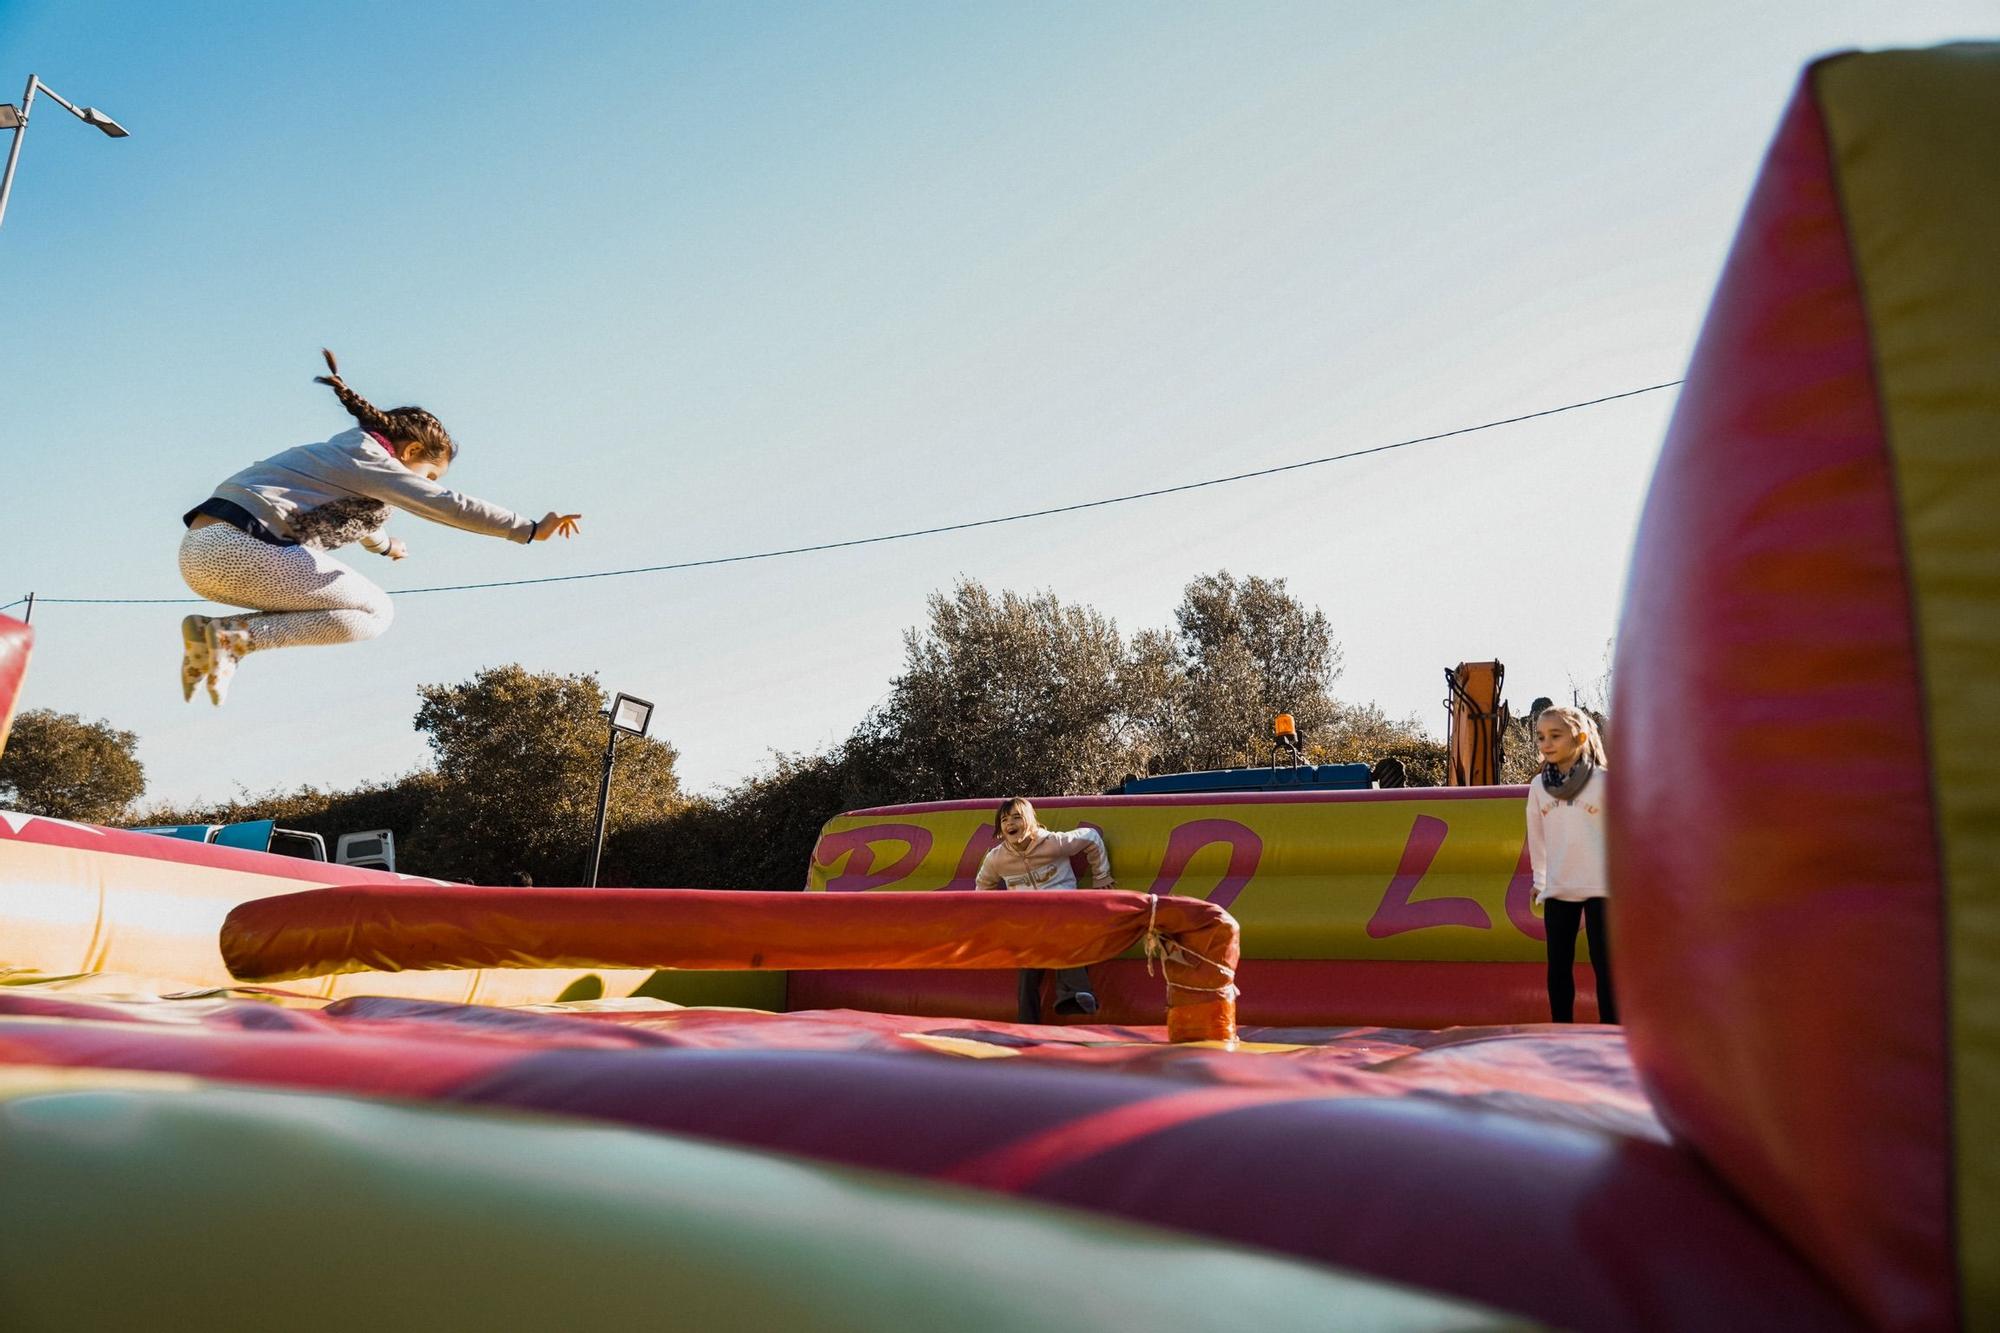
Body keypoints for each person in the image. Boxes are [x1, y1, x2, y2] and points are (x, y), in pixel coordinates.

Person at [176, 350, 582, 705]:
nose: (426, 484)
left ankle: (221, 636)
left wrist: (386, 546)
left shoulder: (345, 456)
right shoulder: (373, 463)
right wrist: (528, 528)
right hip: (241, 549)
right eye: (428, 474)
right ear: (411, 451)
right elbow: (445, 505)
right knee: (375, 612)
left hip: (199, 553)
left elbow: (358, 519)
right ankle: (228, 639)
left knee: (362, 604)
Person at [975, 796, 1116, 1021]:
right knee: (1027, 972)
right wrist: (992, 915)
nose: (1009, 823)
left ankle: (1075, 993)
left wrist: (1101, 876)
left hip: (1062, 911)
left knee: (1064, 936)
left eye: (1016, 817)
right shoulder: (997, 858)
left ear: (1030, 821)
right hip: (1029, 922)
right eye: (1004, 820)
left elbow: (1091, 837)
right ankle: (1027, 1022)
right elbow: (983, 885)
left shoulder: (1052, 843)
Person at [1525, 704, 1617, 1023]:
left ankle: (1612, 1034)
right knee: (1558, 966)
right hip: (1560, 887)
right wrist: (1540, 880)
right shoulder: (1539, 787)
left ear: (1578, 738)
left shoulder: (1604, 782)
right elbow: (1536, 837)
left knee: (1605, 965)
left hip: (1602, 888)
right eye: (1540, 737)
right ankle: (1560, 1028)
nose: (1546, 743)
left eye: (1555, 735)